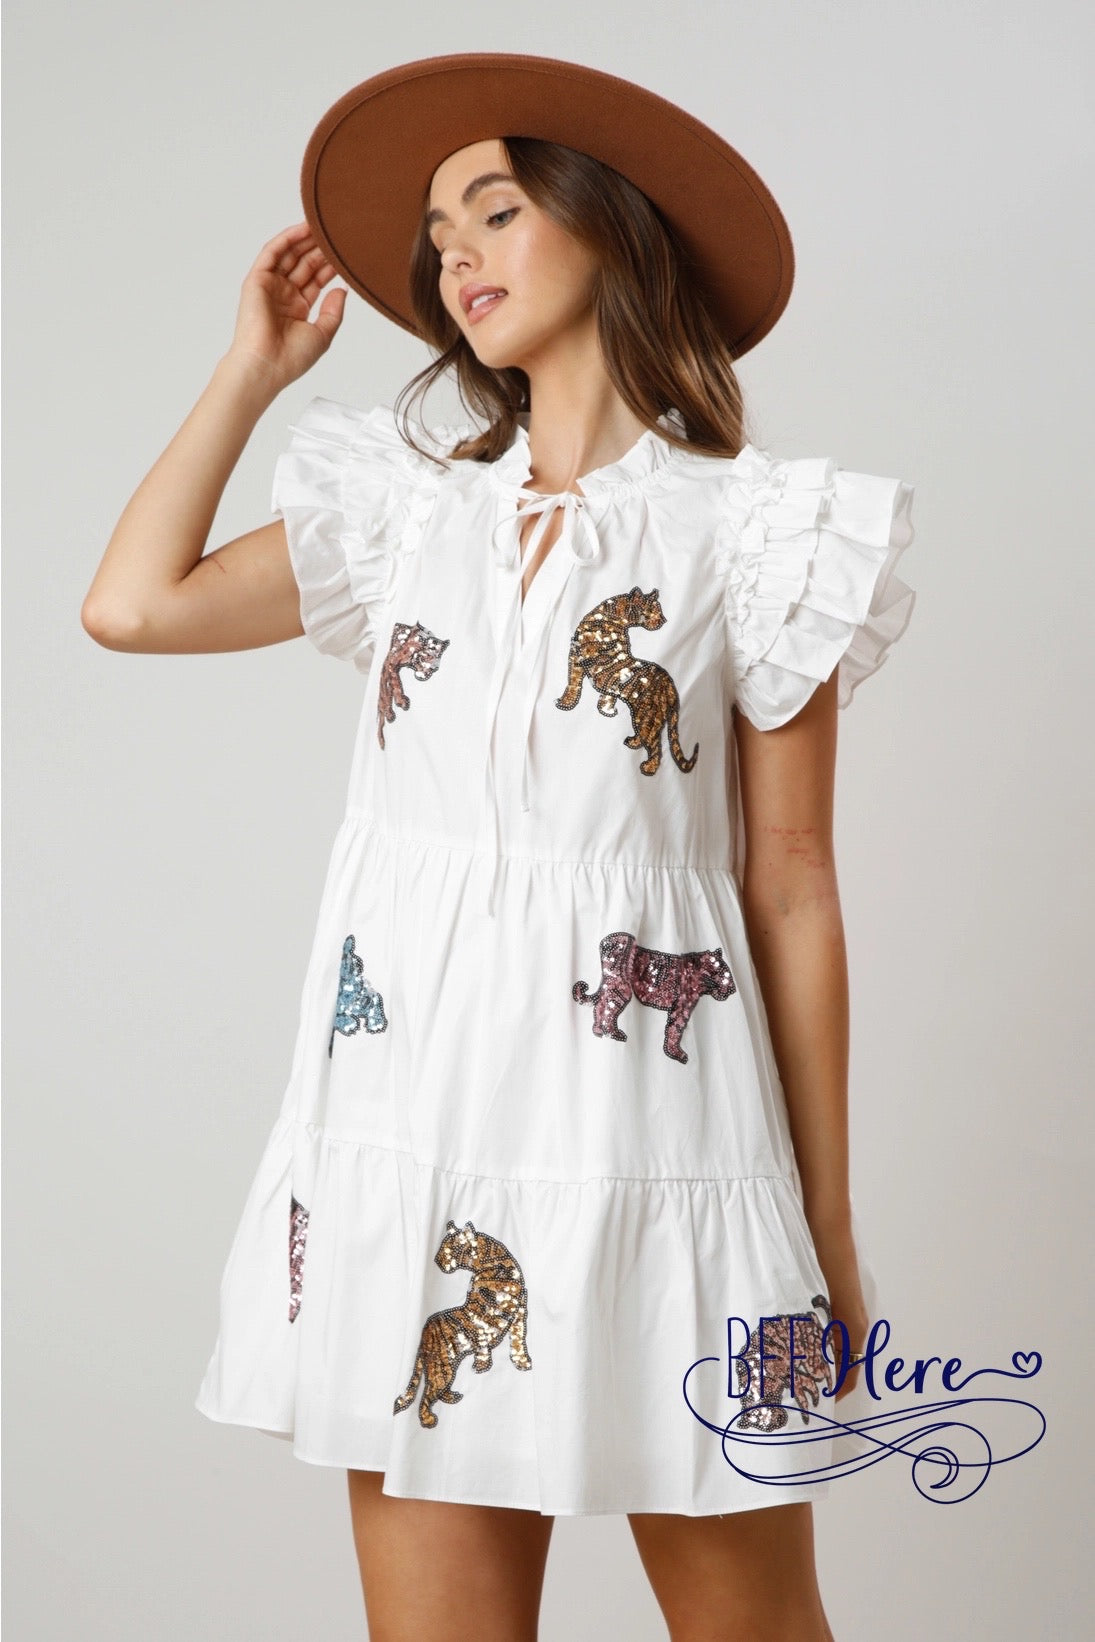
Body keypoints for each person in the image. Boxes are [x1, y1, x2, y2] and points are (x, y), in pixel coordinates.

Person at [81, 53, 916, 1642]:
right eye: (438, 231)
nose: (456, 253)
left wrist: (826, 1230)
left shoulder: (758, 534)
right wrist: (253, 371)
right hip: (418, 1147)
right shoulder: (404, 515)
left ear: (612, 225)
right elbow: (130, 606)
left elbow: (792, 889)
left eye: (497, 209)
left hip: (663, 1160)